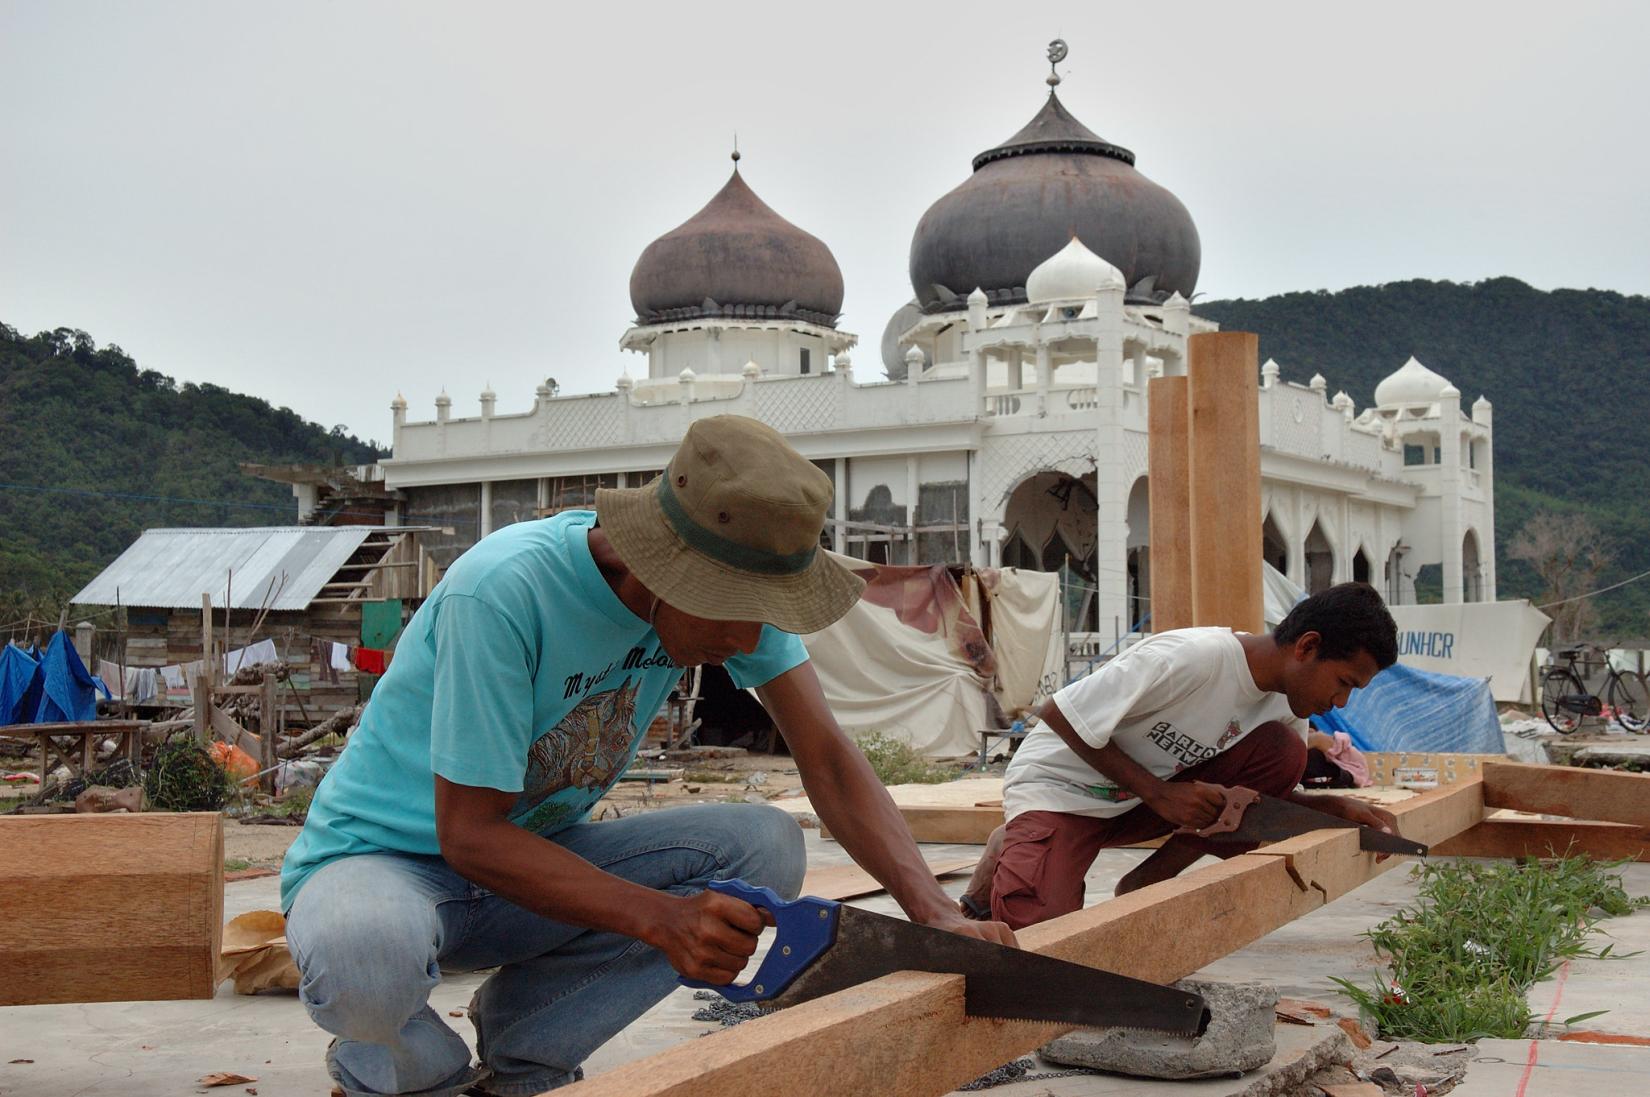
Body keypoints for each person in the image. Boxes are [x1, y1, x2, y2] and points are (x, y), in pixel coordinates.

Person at [280, 415, 1014, 1097]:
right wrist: (662, 919)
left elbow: (825, 755)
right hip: (384, 869)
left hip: (526, 871)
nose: (752, 640)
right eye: (739, 609)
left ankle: (526, 1055)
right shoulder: (504, 591)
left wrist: (934, 911)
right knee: (364, 954)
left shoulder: (741, 610)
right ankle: (410, 1071)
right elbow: (468, 833)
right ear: (665, 569)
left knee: (764, 846)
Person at [958, 583, 1402, 930]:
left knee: (1285, 755)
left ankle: (1146, 882)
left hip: (1135, 802)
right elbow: (1056, 711)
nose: (1341, 701)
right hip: (1061, 792)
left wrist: (1330, 809)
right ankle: (1019, 844)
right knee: (1042, 943)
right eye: (1344, 682)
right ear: (1307, 647)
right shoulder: (1194, 659)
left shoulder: (1286, 708)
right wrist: (1158, 794)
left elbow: (1252, 798)